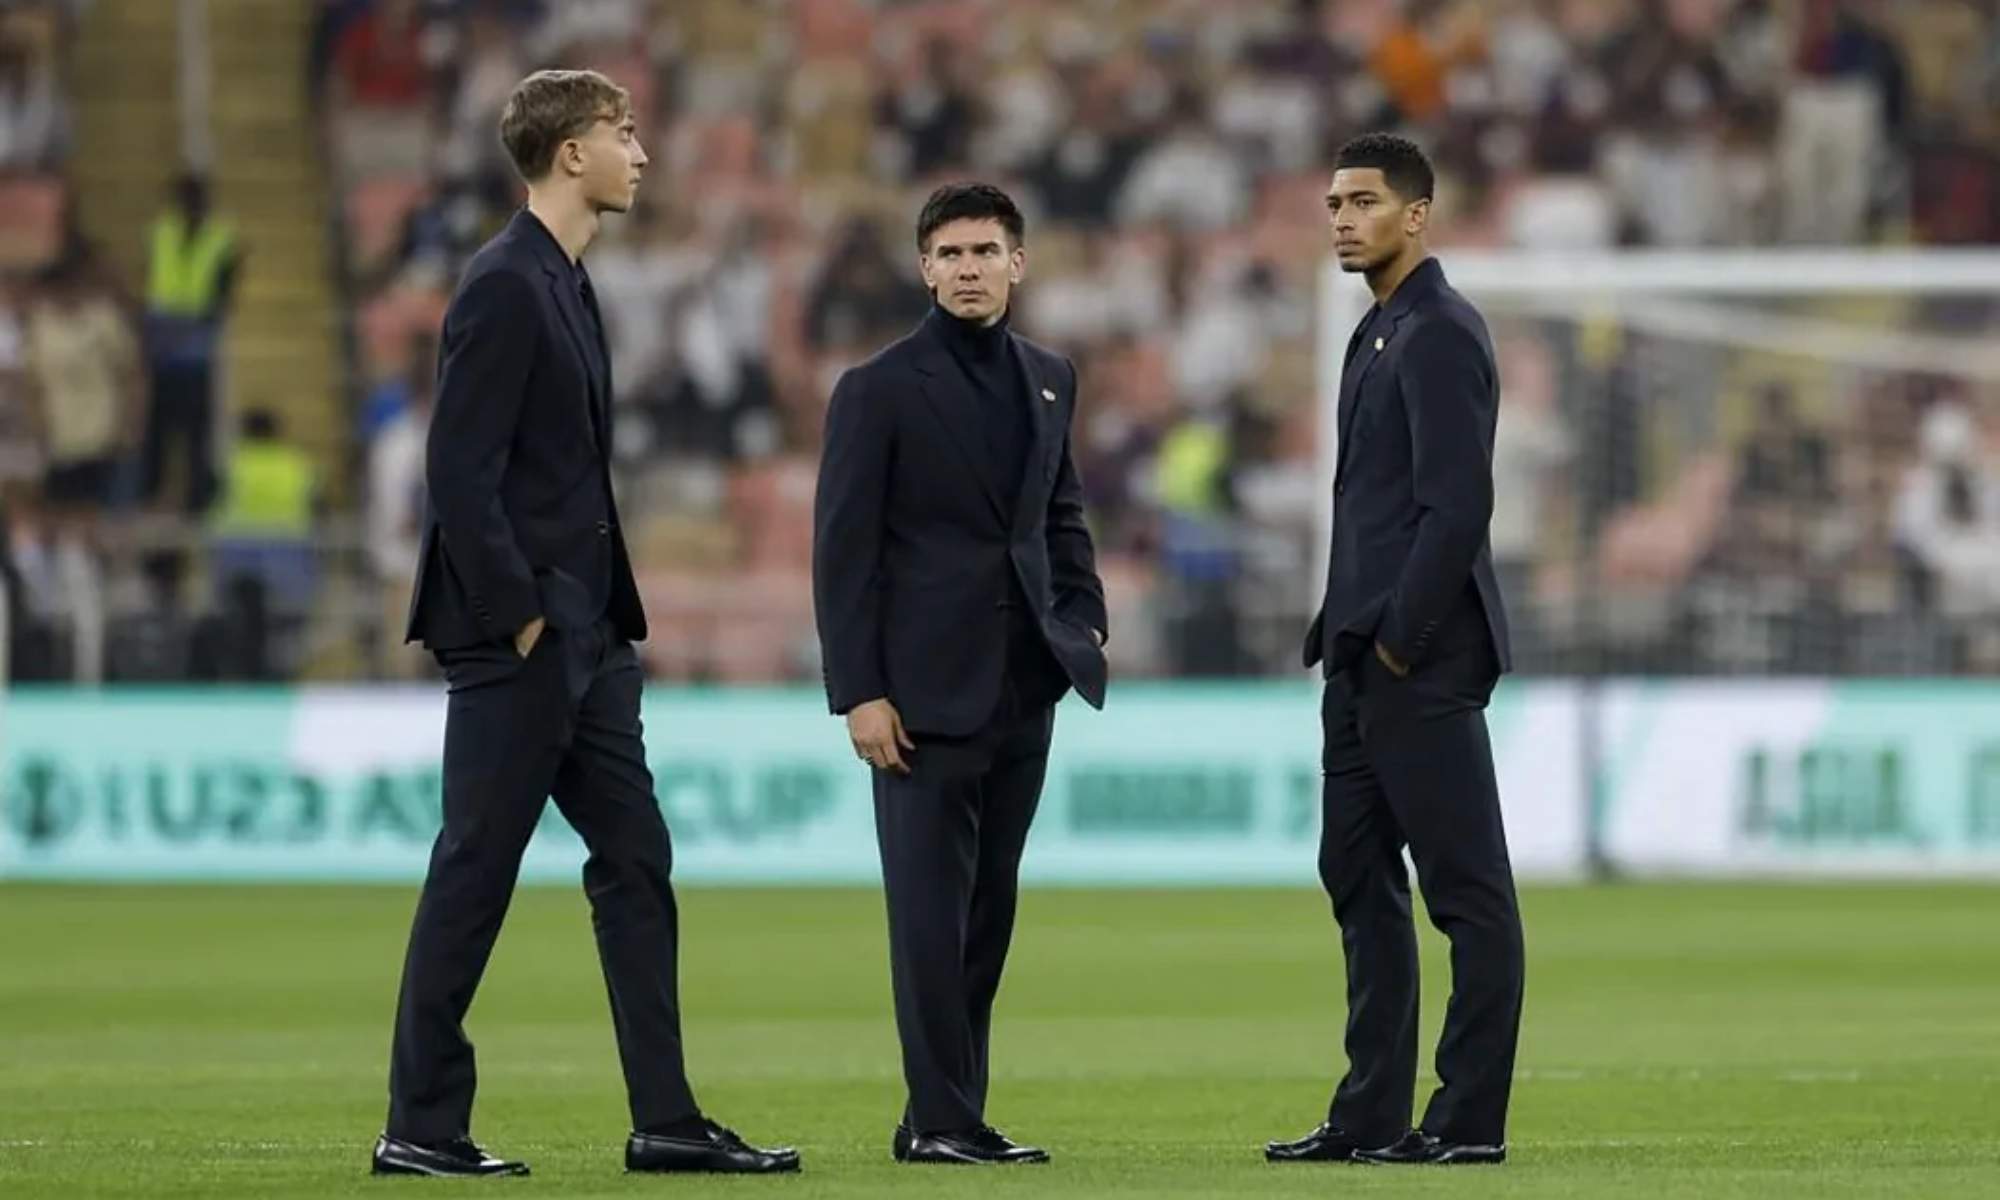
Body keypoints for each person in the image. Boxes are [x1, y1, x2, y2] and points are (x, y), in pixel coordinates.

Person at [375, 69, 797, 1179]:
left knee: (636, 859)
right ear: (572, 153)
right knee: (477, 866)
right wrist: (520, 617)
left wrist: (586, 622)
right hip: (527, 633)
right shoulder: (504, 285)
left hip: (589, 634)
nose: (640, 153)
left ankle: (665, 1119)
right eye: (623, 132)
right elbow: (458, 470)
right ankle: (420, 1125)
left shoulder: (562, 280)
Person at [812, 182, 1107, 1166]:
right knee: (928, 921)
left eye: (984, 251)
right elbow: (841, 553)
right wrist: (859, 691)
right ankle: (943, 1120)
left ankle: (943, 1113)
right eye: (949, 254)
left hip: (1024, 687)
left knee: (988, 914)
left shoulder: (1050, 376)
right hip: (920, 697)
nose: (967, 269)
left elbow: (1059, 515)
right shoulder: (877, 388)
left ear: (1017, 263)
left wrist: (1083, 620)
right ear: (924, 269)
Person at [1266, 133, 1521, 1168]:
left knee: (1466, 893)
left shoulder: (1442, 333)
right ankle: (1369, 1113)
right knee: (1356, 877)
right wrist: (1344, 634)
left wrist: (1401, 644)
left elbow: (1456, 507)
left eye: (1363, 202)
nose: (1342, 219)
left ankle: (1467, 1122)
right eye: (1334, 203)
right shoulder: (1376, 330)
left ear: (1416, 215)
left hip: (1419, 657)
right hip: (1358, 657)